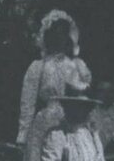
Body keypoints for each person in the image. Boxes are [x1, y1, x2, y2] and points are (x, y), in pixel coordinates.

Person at [16, 10, 92, 145]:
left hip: (74, 125)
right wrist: (24, 135)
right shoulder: (38, 67)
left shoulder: (76, 66)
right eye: (56, 32)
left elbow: (84, 98)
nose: (60, 37)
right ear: (48, 36)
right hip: (47, 125)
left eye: (63, 33)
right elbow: (27, 103)